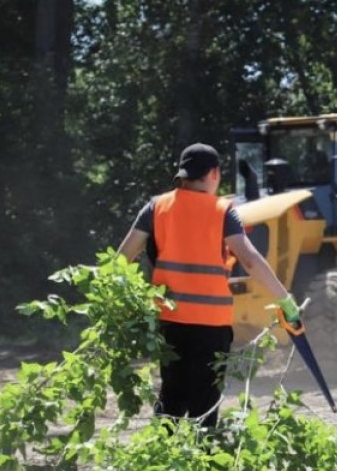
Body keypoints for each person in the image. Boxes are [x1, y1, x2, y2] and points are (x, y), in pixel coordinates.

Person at [117, 143, 301, 428]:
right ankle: (204, 462)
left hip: (171, 321)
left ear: (183, 174)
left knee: (171, 396)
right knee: (205, 403)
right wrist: (284, 300)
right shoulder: (223, 210)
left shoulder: (156, 207)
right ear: (214, 173)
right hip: (211, 325)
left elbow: (122, 259)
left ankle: (160, 461)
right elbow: (250, 259)